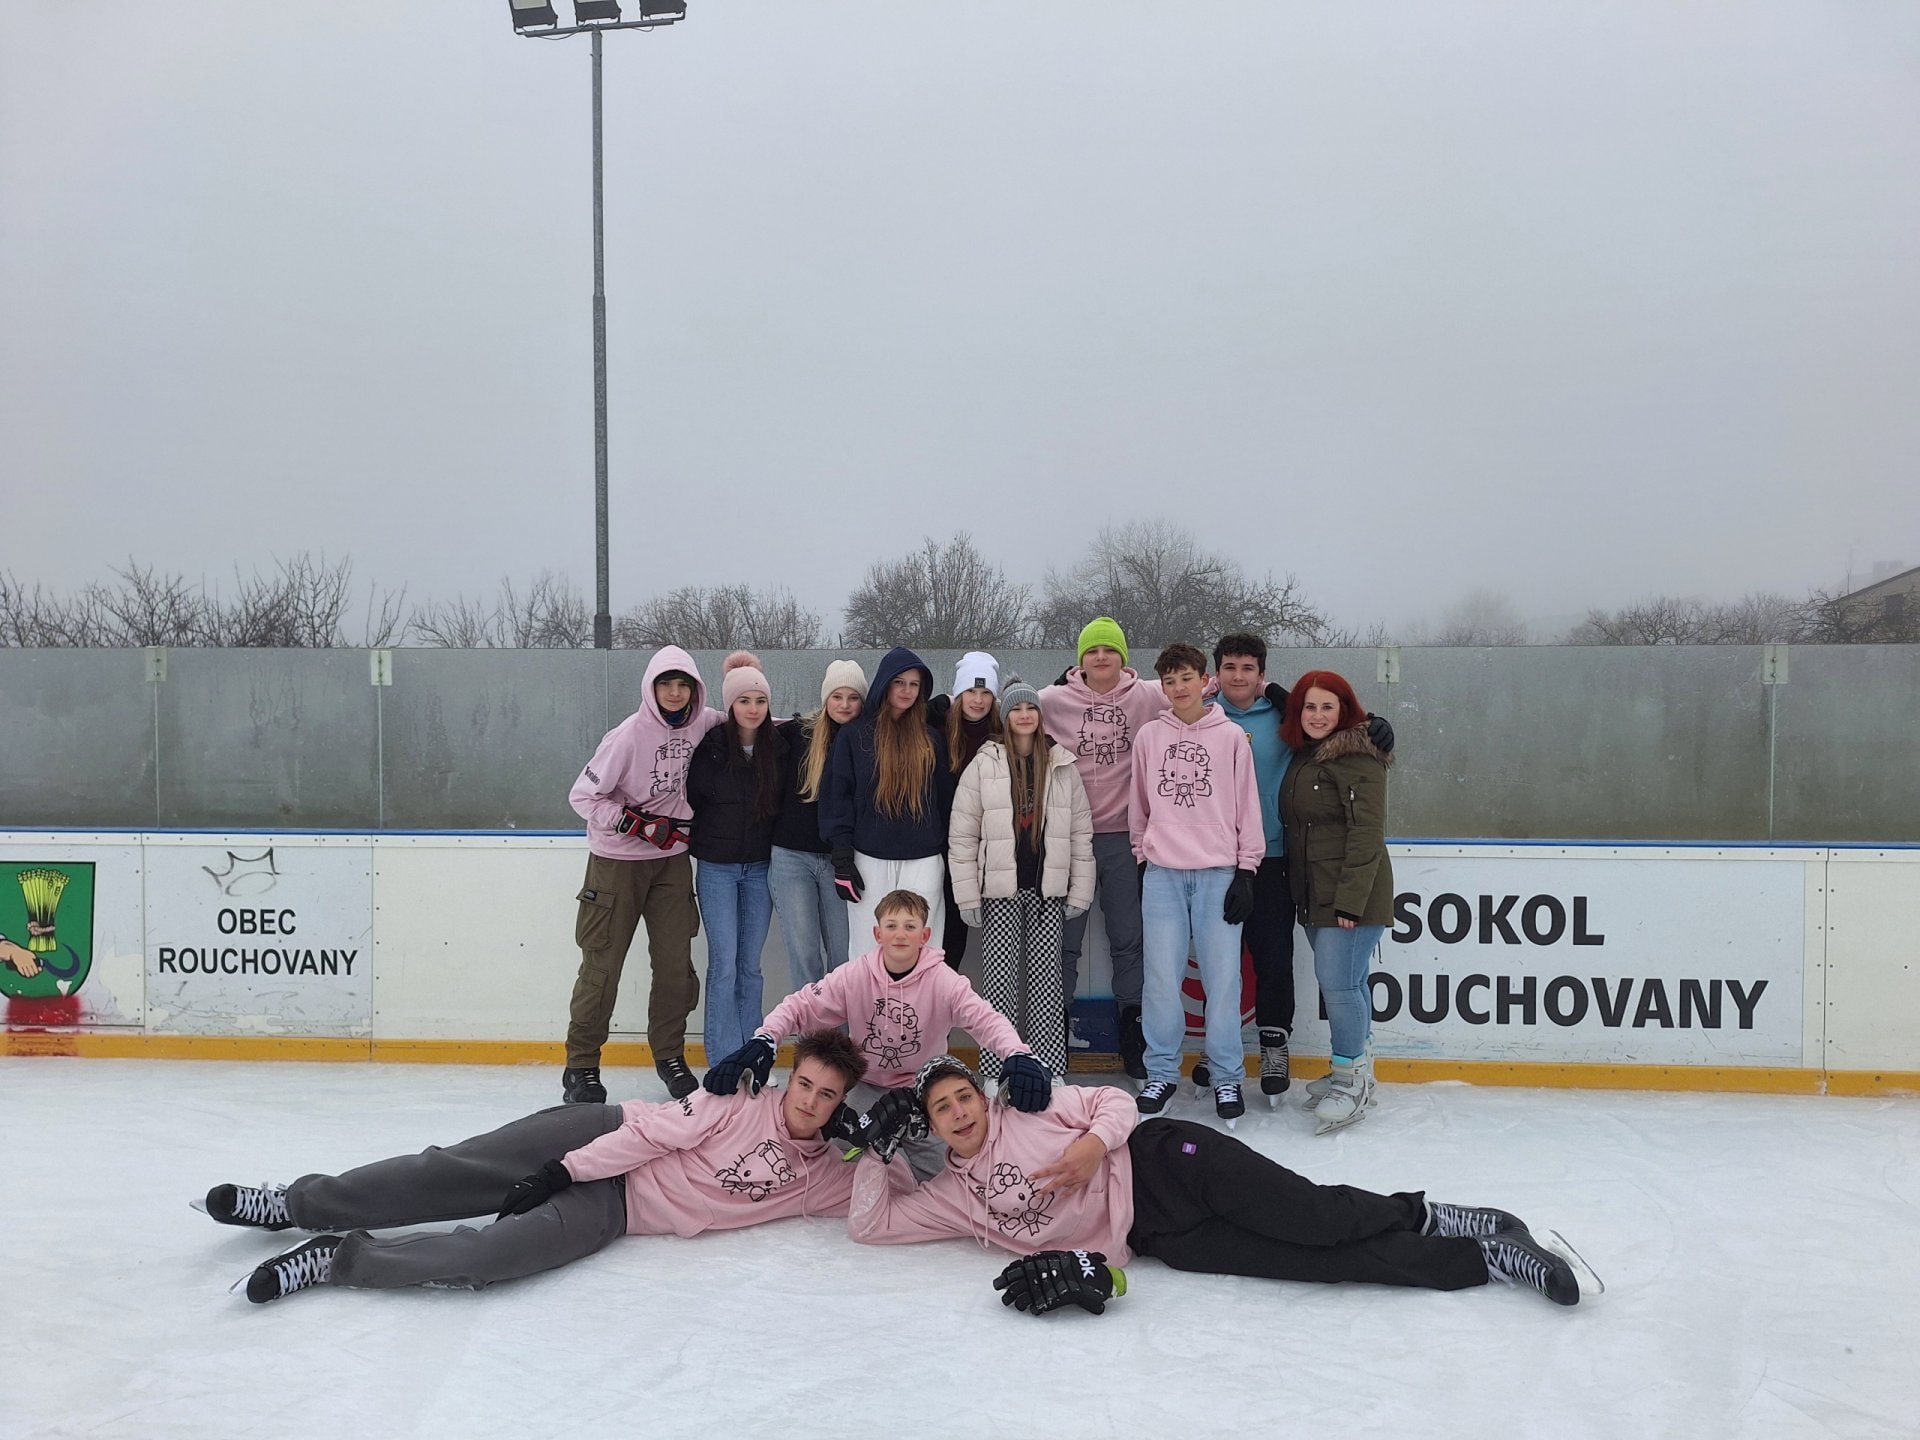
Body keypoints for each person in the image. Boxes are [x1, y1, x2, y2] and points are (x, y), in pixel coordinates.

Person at [847, 1056, 1588, 1313]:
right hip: (1159, 1236)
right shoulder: (953, 1197)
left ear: (982, 1099)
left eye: (964, 1098)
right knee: (1317, 1263)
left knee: (1312, 1216)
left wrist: (1091, 1149)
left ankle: (1435, 1216)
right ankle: (1485, 1258)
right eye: (943, 1110)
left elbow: (1117, 1104)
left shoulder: (1028, 1109)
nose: (959, 1113)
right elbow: (870, 1226)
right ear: (932, 1128)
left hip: (1165, 1161)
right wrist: (876, 1150)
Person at [201, 1030, 871, 1304]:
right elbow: (649, 1137)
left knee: (490, 1257)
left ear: (840, 1103)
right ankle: (297, 1204)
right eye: (805, 1085)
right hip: (602, 1134)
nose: (809, 1103)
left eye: (827, 1096)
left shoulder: (821, 1177)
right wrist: (563, 1169)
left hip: (616, 1209)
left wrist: (874, 1141)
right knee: (450, 1171)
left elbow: (894, 1198)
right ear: (790, 1078)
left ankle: (337, 1258)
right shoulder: (736, 1099)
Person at [703, 888, 1051, 1180]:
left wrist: (1017, 1053)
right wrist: (766, 1038)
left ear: (924, 936)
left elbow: (986, 1020)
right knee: (837, 1167)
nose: (900, 934)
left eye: (910, 927)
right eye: (892, 926)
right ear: (878, 934)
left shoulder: (944, 981)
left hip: (922, 1093)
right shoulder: (854, 975)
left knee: (948, 1174)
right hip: (867, 1088)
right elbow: (801, 1006)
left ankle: (905, 1155)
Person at [564, 645, 721, 1104]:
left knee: (675, 967)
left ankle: (669, 1055)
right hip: (616, 865)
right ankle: (581, 1066)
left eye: (682, 684)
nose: (674, 693)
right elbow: (582, 797)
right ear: (651, 688)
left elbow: (753, 718)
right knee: (603, 966)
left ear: (694, 689)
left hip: (671, 862)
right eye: (665, 684)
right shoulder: (627, 736)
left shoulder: (704, 722)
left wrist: (814, 725)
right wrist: (634, 823)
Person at [1129, 642, 1264, 1124]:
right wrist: (1142, 855)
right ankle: (1162, 1073)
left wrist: (1246, 870)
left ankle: (1227, 1076)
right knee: (1160, 980)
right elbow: (1139, 803)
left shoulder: (1231, 737)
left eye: (1186, 678)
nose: (1178, 687)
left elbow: (1247, 806)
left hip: (1217, 875)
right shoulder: (1149, 737)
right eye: (1169, 681)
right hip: (1163, 874)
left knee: (1222, 981)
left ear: (1204, 680)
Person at [1038, 618, 1171, 1080]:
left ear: (1123, 658)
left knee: (1128, 937)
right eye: (1092, 651)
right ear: (1079, 659)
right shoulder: (1053, 700)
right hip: (1069, 838)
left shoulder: (1148, 695)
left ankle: (1132, 1026)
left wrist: (1276, 693)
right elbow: (999, 707)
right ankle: (1052, 1029)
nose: (1100, 657)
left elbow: (1211, 687)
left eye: (1109, 650)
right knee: (1063, 941)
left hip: (1123, 839)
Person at [949, 675, 1094, 1087]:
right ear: (1005, 716)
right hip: (1000, 893)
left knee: (1047, 985)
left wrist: (1080, 890)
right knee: (999, 986)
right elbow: (963, 834)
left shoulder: (1061, 764)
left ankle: (1049, 1067)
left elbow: (1081, 834)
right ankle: (998, 1067)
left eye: (1031, 708)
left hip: (1048, 892)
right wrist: (967, 895)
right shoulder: (985, 763)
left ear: (1040, 715)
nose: (1025, 715)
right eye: (1016, 708)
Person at [1279, 670, 1394, 1134]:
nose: (1317, 715)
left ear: (1345, 710)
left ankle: (1351, 1079)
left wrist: (1350, 901)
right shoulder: (1305, 753)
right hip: (1314, 891)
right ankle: (1356, 1067)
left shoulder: (1361, 757)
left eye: (1328, 706)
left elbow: (1367, 833)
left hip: (1351, 895)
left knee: (1340, 986)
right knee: (1350, 982)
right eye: (1310, 706)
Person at [687, 652, 784, 1069]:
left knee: (751, 967)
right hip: (717, 869)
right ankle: (723, 1060)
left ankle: (752, 1056)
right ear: (729, 704)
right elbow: (691, 799)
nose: (753, 709)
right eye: (744, 700)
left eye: (760, 701)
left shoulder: (777, 747)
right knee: (724, 965)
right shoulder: (710, 748)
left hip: (760, 868)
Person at [820, 646, 948, 959]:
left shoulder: (930, 739)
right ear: (884, 684)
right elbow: (838, 796)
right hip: (870, 859)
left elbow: (944, 799)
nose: (906, 690)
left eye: (914, 684)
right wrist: (842, 857)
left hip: (923, 859)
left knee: (924, 949)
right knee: (868, 950)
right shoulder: (855, 736)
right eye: (899, 682)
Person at [767, 659, 866, 993]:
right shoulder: (798, 733)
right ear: (826, 699)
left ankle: (841, 1027)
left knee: (844, 957)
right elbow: (750, 728)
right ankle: (810, 1027)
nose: (845, 705)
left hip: (842, 861)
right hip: (792, 858)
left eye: (853, 697)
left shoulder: (867, 740)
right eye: (837, 696)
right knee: (805, 956)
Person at [937, 651, 1005, 971]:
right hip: (940, 845)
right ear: (958, 694)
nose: (978, 700)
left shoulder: (1002, 733)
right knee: (938, 928)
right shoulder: (937, 728)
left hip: (983, 848)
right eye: (970, 691)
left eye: (985, 692)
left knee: (960, 934)